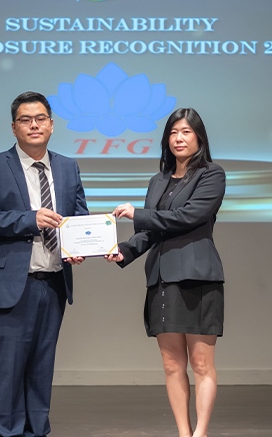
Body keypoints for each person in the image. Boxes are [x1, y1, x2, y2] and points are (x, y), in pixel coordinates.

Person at [0, 91, 88, 437]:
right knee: (7, 369)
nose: (33, 125)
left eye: (40, 119)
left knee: (41, 366)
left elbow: (78, 217)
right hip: (12, 284)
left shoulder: (67, 166)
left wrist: (78, 247)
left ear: (52, 125)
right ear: (14, 128)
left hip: (53, 283)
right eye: (25, 120)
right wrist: (30, 219)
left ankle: (37, 431)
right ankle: (8, 432)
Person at [105, 108, 225, 437]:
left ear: (199, 137)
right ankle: (184, 433)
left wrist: (137, 214)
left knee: (201, 364)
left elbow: (187, 217)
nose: (179, 138)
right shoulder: (157, 181)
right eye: (173, 132)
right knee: (172, 365)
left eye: (186, 132)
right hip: (161, 279)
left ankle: (200, 433)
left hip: (197, 277)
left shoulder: (212, 175)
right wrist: (124, 250)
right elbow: (151, 231)